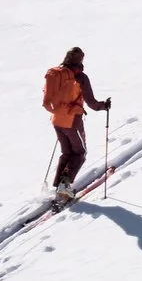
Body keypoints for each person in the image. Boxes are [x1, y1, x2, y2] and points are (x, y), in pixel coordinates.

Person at [42, 46, 106, 195]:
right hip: (72, 121)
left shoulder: (56, 73)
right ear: (81, 59)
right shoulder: (80, 77)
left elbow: (48, 100)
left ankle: (59, 185)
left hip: (57, 120)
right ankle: (64, 186)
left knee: (67, 152)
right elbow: (91, 103)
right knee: (80, 153)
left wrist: (58, 112)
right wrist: (104, 106)